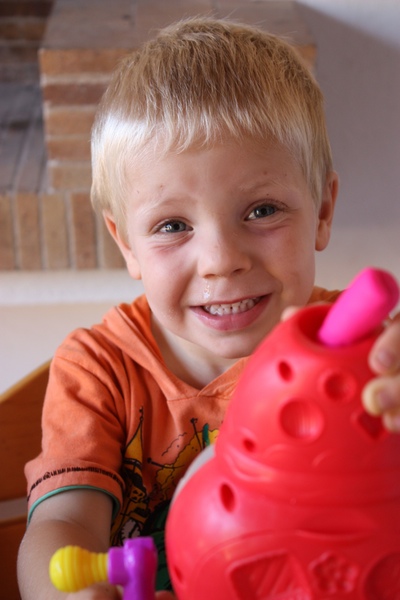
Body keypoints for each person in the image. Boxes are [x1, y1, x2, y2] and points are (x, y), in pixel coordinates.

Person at [17, 16, 400, 600]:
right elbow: (61, 526)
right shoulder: (99, 370)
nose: (221, 259)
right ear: (127, 243)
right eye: (173, 226)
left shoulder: (364, 352)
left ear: (322, 211)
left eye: (262, 211)